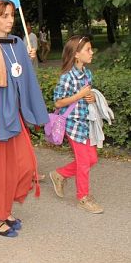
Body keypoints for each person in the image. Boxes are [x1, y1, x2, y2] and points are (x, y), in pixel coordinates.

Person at [0, 0, 49, 237]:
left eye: (11, 15)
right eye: (3, 15)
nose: (10, 20)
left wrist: (28, 57)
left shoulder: (16, 42)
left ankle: (5, 208)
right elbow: (1, 79)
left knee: (22, 164)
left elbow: (23, 77)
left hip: (12, 111)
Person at [49, 36, 103, 214]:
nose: (92, 52)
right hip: (73, 126)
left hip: (86, 124)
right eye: (88, 49)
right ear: (76, 55)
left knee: (92, 159)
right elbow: (58, 103)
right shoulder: (67, 77)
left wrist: (91, 97)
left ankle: (60, 174)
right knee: (84, 162)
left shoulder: (87, 74)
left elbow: (89, 95)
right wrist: (79, 95)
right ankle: (83, 197)